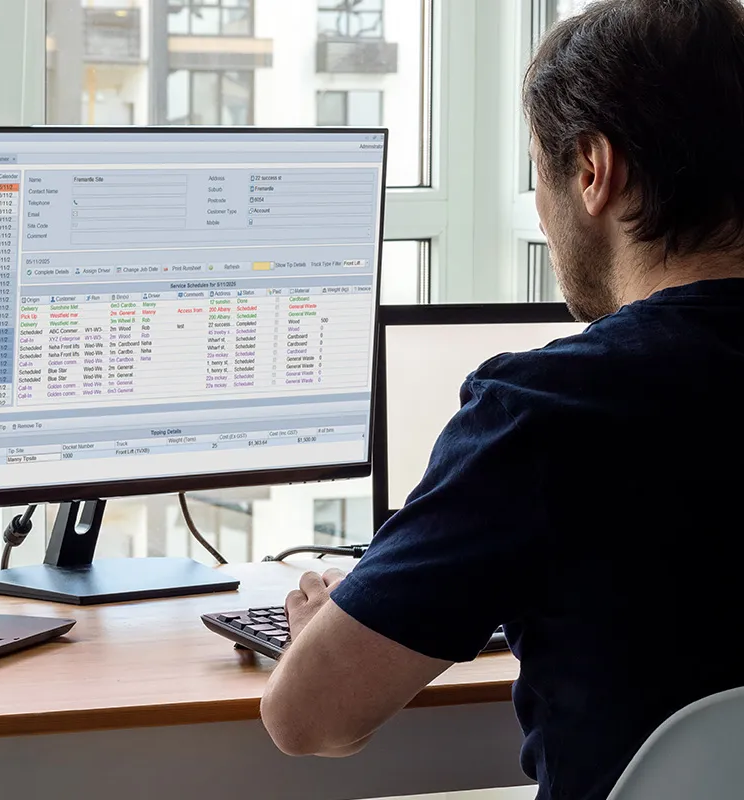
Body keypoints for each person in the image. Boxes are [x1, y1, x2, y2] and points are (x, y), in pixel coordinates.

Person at [260, 0, 744, 797]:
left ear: (593, 170)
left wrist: (325, 633)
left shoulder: (548, 407)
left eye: (538, 174)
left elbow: (309, 718)